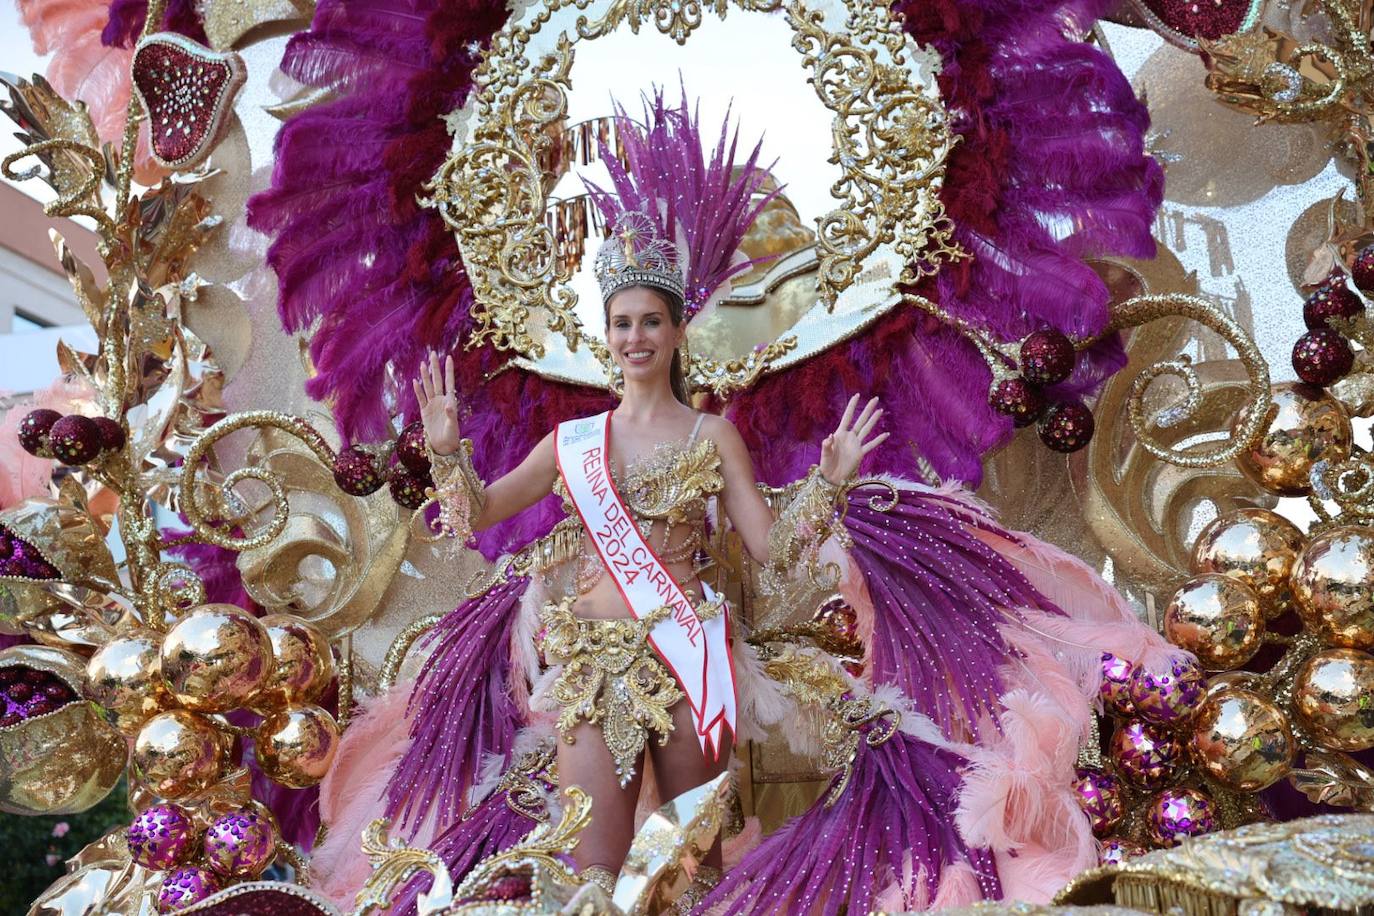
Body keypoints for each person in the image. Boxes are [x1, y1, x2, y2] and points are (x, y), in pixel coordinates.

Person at [411, 216, 888, 894]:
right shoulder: (571, 442)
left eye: (651, 322)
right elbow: (475, 516)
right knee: (594, 872)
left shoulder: (713, 433)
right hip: (591, 666)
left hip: (686, 657)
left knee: (686, 867)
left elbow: (770, 550)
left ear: (677, 331)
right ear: (607, 336)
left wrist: (829, 480)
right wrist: (443, 449)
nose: (636, 337)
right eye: (623, 323)